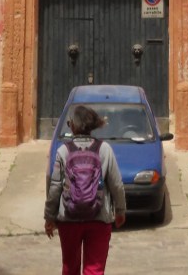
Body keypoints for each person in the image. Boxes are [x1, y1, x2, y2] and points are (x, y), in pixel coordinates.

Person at [44, 104, 126, 275]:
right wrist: (120, 211)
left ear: (73, 126)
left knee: (70, 268)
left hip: (69, 219)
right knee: (94, 270)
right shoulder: (104, 149)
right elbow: (116, 184)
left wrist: (49, 217)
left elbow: (55, 187)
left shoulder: (63, 151)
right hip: (99, 218)